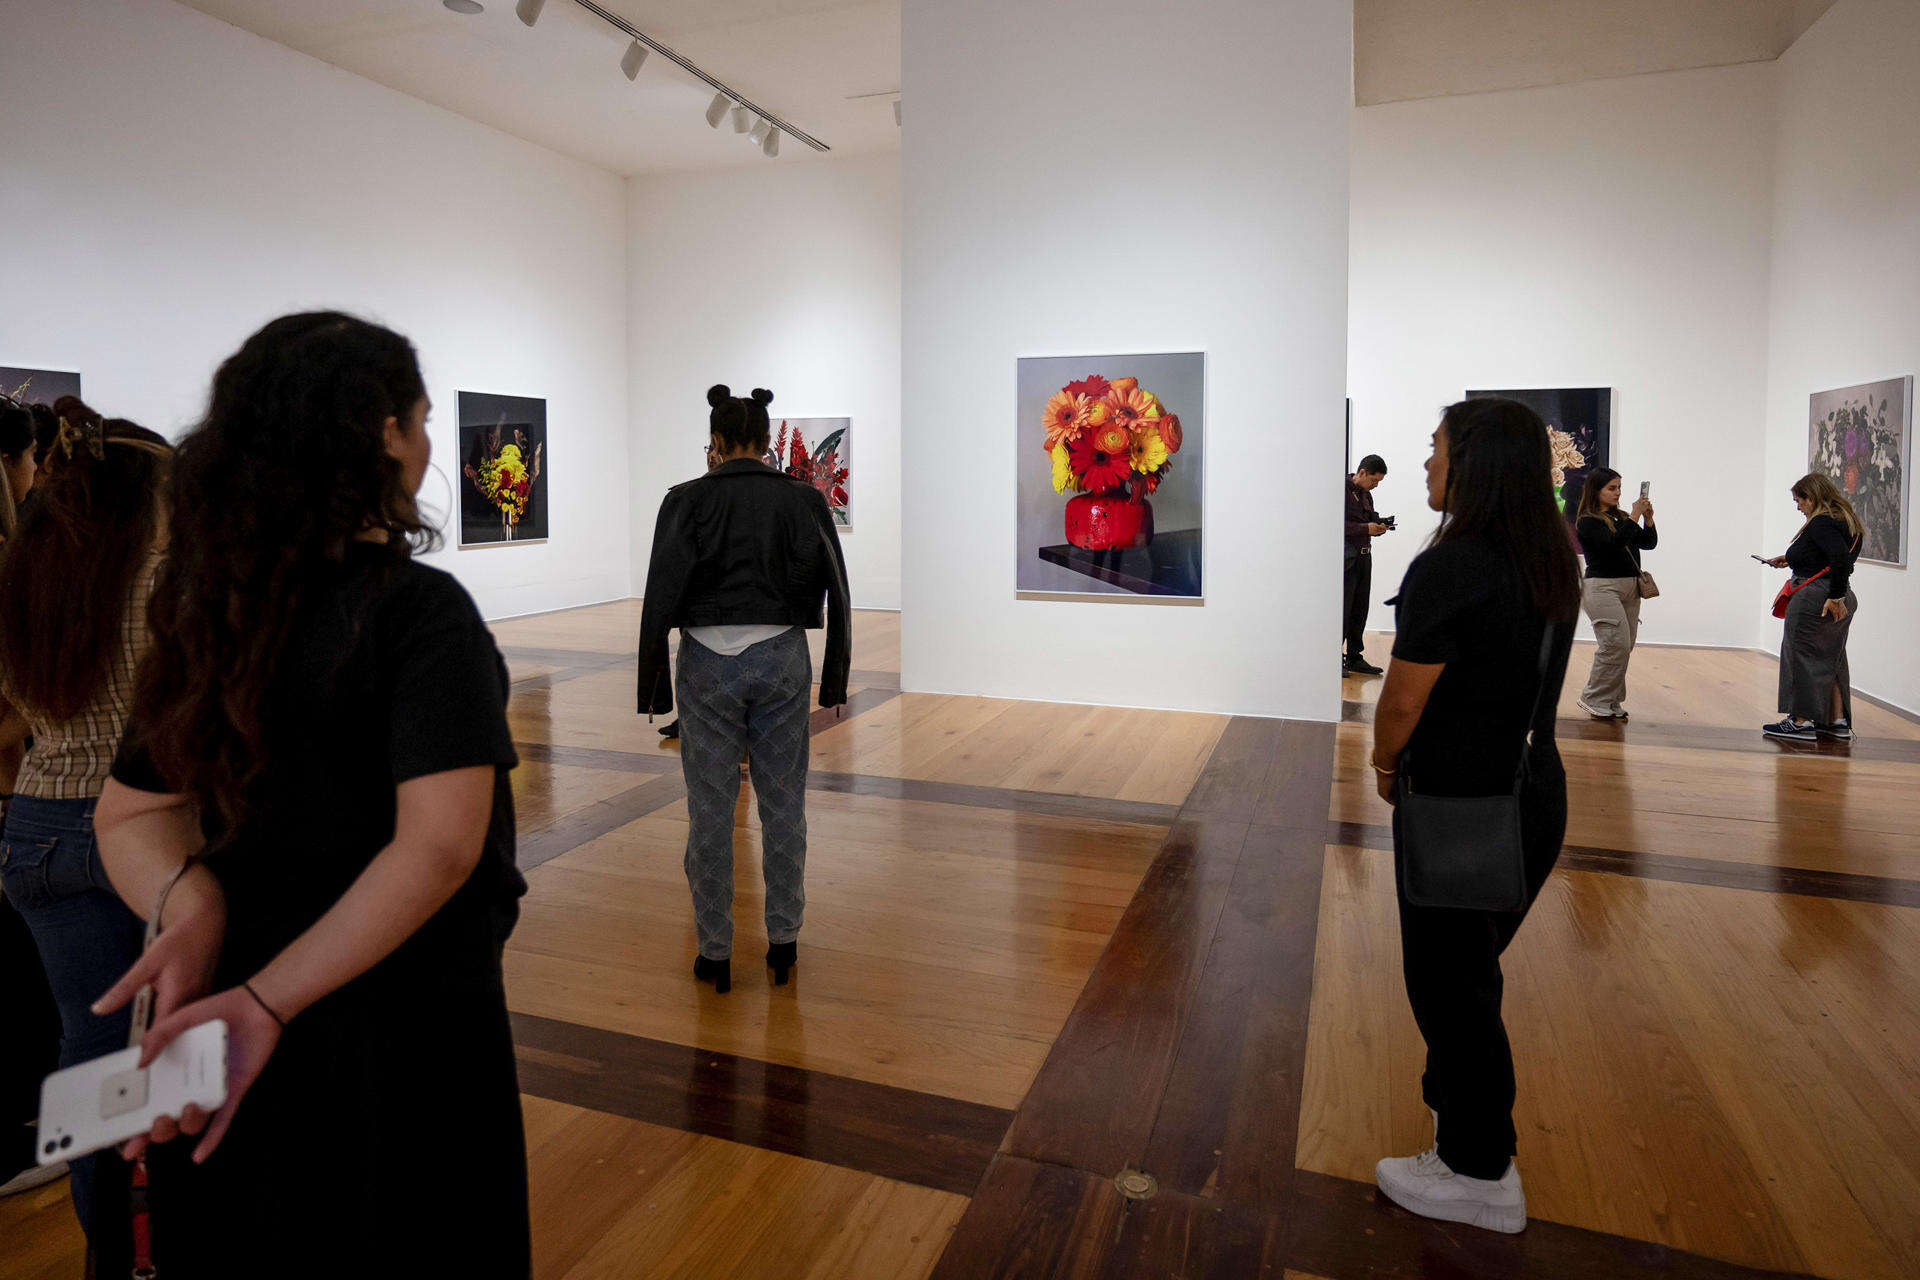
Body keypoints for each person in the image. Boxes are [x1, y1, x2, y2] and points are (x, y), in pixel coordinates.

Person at [89, 312, 531, 1276]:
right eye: (417, 420)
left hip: (229, 1031)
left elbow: (127, 816)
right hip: (397, 1032)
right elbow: (441, 846)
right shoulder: (418, 612)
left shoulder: (214, 612)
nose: (424, 445)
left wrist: (192, 904)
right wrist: (263, 1000)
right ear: (382, 433)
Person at [1368, 397, 1581, 1234]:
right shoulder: (1546, 558)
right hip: (1531, 790)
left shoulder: (1451, 567)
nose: (1425, 465)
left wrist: (1387, 765)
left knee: (1452, 988)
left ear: (1475, 464)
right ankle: (1457, 1124)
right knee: (1468, 976)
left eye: (1435, 449)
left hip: (1461, 804)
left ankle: (1479, 1170)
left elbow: (1401, 702)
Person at [0, 403, 171, 1259]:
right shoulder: (172, 572)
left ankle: (110, 1257)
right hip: (150, 826)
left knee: (93, 1062)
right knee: (179, 1065)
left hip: (38, 827)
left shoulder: (25, 568)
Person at [637, 385, 850, 994]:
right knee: (784, 803)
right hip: (784, 655)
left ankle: (715, 952)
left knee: (709, 809)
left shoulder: (684, 502)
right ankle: (783, 942)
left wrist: (656, 686)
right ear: (763, 440)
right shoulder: (804, 501)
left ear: (719, 442)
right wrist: (834, 676)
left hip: (705, 660)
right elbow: (839, 587)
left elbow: (659, 596)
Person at [1761, 473, 1861, 741]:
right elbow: (1832, 557)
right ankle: (1836, 721)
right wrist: (1790, 559)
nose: (1797, 506)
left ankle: (1800, 721)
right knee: (1833, 657)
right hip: (1838, 595)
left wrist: (1835, 596)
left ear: (1813, 496)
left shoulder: (1820, 522)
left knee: (1800, 654)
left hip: (1816, 597)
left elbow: (1840, 559)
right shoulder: (1847, 521)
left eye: (1799, 500)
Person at [1573, 468, 1656, 719]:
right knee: (1614, 645)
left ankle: (1610, 699)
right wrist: (1635, 515)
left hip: (1629, 588)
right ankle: (1593, 697)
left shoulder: (1620, 517)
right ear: (1596, 491)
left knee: (1624, 645)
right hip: (1602, 588)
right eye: (1611, 488)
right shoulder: (1588, 521)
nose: (1617, 493)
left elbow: (1648, 543)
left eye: (1619, 487)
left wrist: (1648, 519)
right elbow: (1613, 545)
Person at [658, 437, 724, 744]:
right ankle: (688, 718)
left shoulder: (696, 498)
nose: (710, 456)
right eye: (707, 450)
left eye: (714, 449)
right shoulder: (695, 495)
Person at [1344, 455, 1391, 674]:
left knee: (1360, 609)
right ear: (1362, 472)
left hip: (1365, 557)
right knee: (1344, 609)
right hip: (1347, 560)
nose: (1375, 485)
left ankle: (1355, 657)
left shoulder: (1367, 495)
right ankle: (1335, 658)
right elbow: (1335, 524)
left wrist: (1380, 525)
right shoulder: (1341, 491)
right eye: (1374, 480)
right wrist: (1365, 529)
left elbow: (1368, 519)